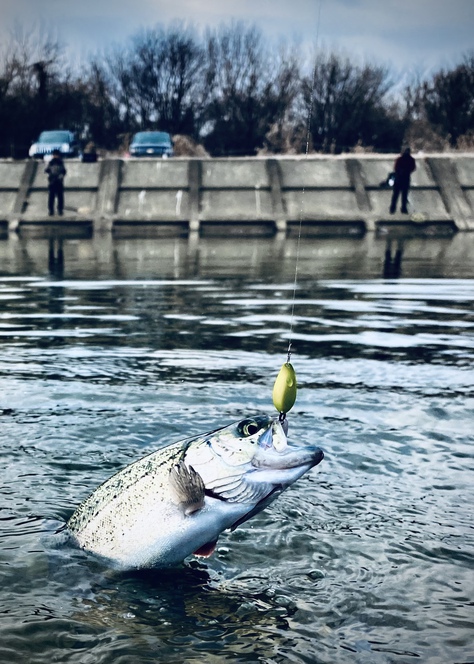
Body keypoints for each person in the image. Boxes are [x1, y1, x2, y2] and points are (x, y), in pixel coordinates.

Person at [389, 147, 416, 214]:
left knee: (402, 195)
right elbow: (396, 167)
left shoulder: (407, 159)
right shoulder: (404, 159)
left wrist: (404, 171)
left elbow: (413, 168)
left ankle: (399, 208)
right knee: (398, 195)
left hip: (403, 178)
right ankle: (395, 208)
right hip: (401, 178)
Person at [45, 149, 67, 216]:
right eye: (54, 155)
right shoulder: (51, 162)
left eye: (56, 155)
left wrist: (61, 176)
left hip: (59, 181)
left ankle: (60, 210)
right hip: (52, 181)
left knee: (60, 197)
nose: (55, 156)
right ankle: (51, 210)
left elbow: (64, 171)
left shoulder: (60, 162)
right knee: (51, 197)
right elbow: (47, 170)